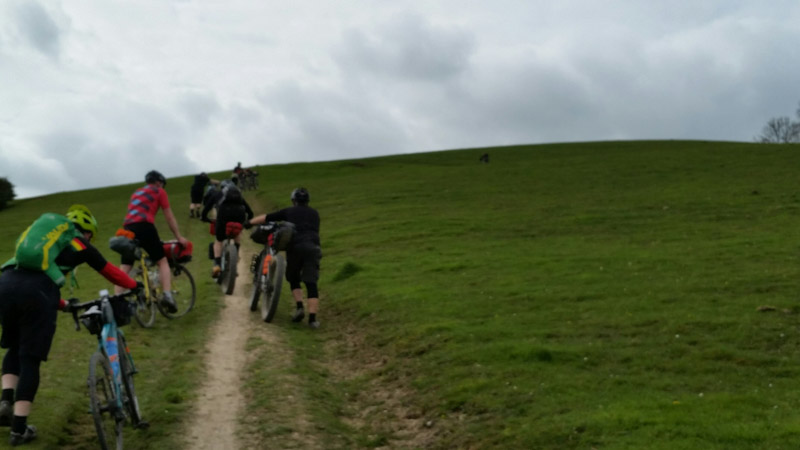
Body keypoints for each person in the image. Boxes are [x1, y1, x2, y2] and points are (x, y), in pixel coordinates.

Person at [0, 205, 139, 446]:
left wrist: (63, 304)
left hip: (5, 284)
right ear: (87, 232)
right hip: (37, 293)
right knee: (30, 359)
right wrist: (135, 286)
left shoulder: (43, 245)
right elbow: (110, 272)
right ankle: (19, 429)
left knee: (14, 346)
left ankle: (5, 401)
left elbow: (33, 280)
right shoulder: (81, 244)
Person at [245, 188, 322, 328]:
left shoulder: (289, 211)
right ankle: (312, 320)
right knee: (311, 282)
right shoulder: (315, 213)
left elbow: (266, 218)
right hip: (313, 247)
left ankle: (299, 307)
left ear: (294, 201)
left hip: (296, 247)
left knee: (293, 278)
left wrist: (249, 223)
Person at [115, 170, 188, 313]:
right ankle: (167, 295)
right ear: (159, 182)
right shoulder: (159, 192)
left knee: (125, 266)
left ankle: (116, 301)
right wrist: (179, 237)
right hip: (145, 226)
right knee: (162, 261)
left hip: (127, 228)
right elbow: (169, 217)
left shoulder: (136, 192)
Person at [202, 181, 253, 277]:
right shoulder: (239, 196)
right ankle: (236, 255)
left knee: (218, 241)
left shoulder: (217, 194)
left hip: (223, 218)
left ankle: (217, 265)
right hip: (239, 216)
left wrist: (204, 218)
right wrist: (247, 222)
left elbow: (207, 208)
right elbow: (250, 212)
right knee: (237, 233)